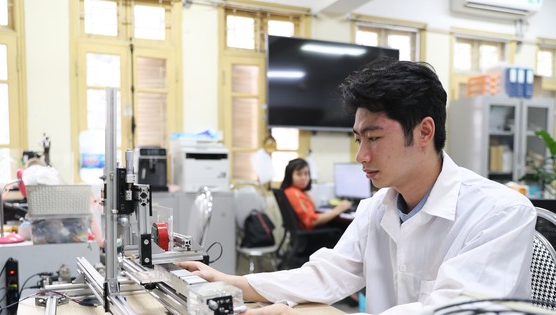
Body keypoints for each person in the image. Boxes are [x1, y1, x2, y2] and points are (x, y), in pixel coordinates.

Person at [179, 58, 536, 314]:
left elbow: (450, 311)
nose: (362, 155)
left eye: (375, 138)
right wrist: (226, 282)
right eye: (358, 140)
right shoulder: (376, 208)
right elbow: (326, 275)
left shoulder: (500, 213)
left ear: (425, 132)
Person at [281, 158, 352, 230]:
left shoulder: (296, 191)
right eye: (299, 174)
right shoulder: (293, 193)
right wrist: (338, 210)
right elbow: (311, 221)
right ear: (290, 176)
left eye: (306, 173)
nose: (304, 178)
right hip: (311, 235)